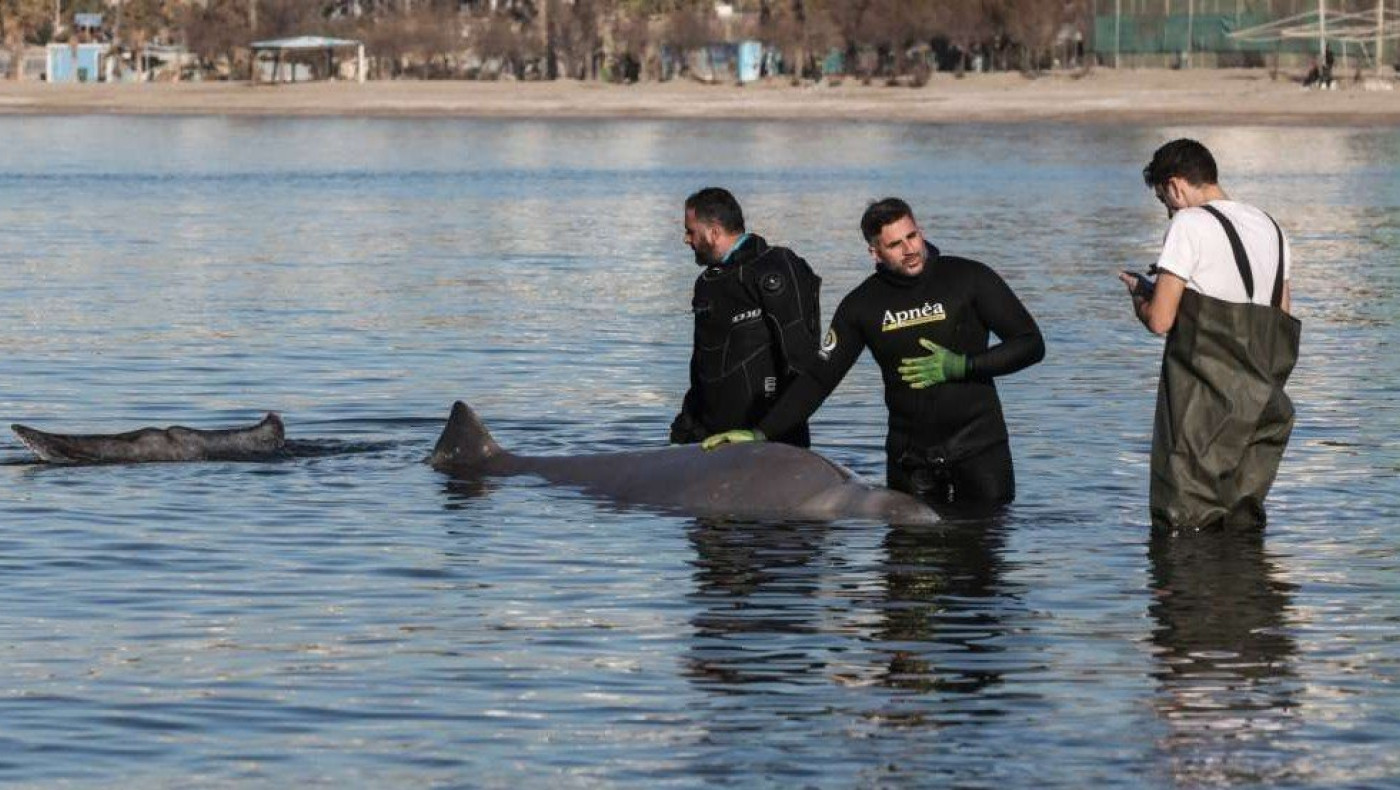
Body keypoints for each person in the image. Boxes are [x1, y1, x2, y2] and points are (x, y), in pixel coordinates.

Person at [703, 198, 1044, 509]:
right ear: (875, 252)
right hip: (911, 459)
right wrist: (762, 432)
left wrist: (963, 366)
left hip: (979, 447)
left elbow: (1030, 343)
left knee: (986, 553)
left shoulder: (969, 278)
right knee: (908, 561)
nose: (909, 249)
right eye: (895, 244)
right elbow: (820, 378)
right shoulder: (862, 305)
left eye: (912, 236)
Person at [1120, 138, 1301, 531]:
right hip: (1263, 408)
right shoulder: (1271, 226)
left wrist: (1141, 297)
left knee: (1182, 536)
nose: (1169, 213)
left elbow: (1161, 321)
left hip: (1201, 415)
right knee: (1241, 531)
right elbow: (1281, 318)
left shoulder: (1188, 223)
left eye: (1165, 202)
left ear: (1175, 186)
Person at [670, 187, 823, 448]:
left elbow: (803, 364)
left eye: (690, 230)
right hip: (712, 443)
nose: (686, 239)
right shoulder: (708, 283)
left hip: (769, 443)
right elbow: (702, 367)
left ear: (714, 232)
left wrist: (765, 433)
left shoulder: (776, 266)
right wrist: (683, 432)